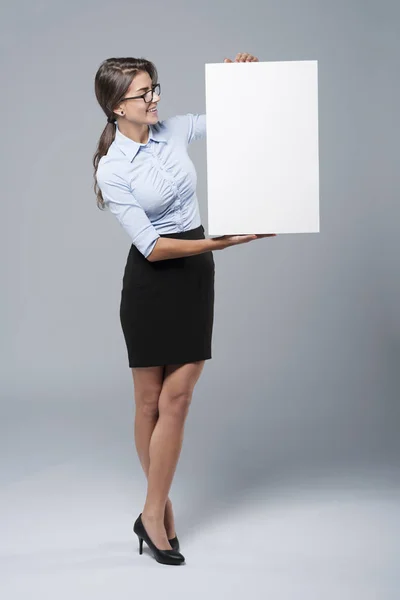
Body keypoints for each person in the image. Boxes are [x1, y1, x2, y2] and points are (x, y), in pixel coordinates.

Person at [92, 52, 276, 565]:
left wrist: (243, 79)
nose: (154, 100)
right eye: (142, 94)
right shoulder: (112, 170)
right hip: (153, 280)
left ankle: (149, 512)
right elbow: (152, 247)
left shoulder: (172, 130)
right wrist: (223, 243)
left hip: (194, 273)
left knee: (179, 399)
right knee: (149, 401)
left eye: (155, 89)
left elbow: (240, 119)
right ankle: (159, 507)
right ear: (115, 108)